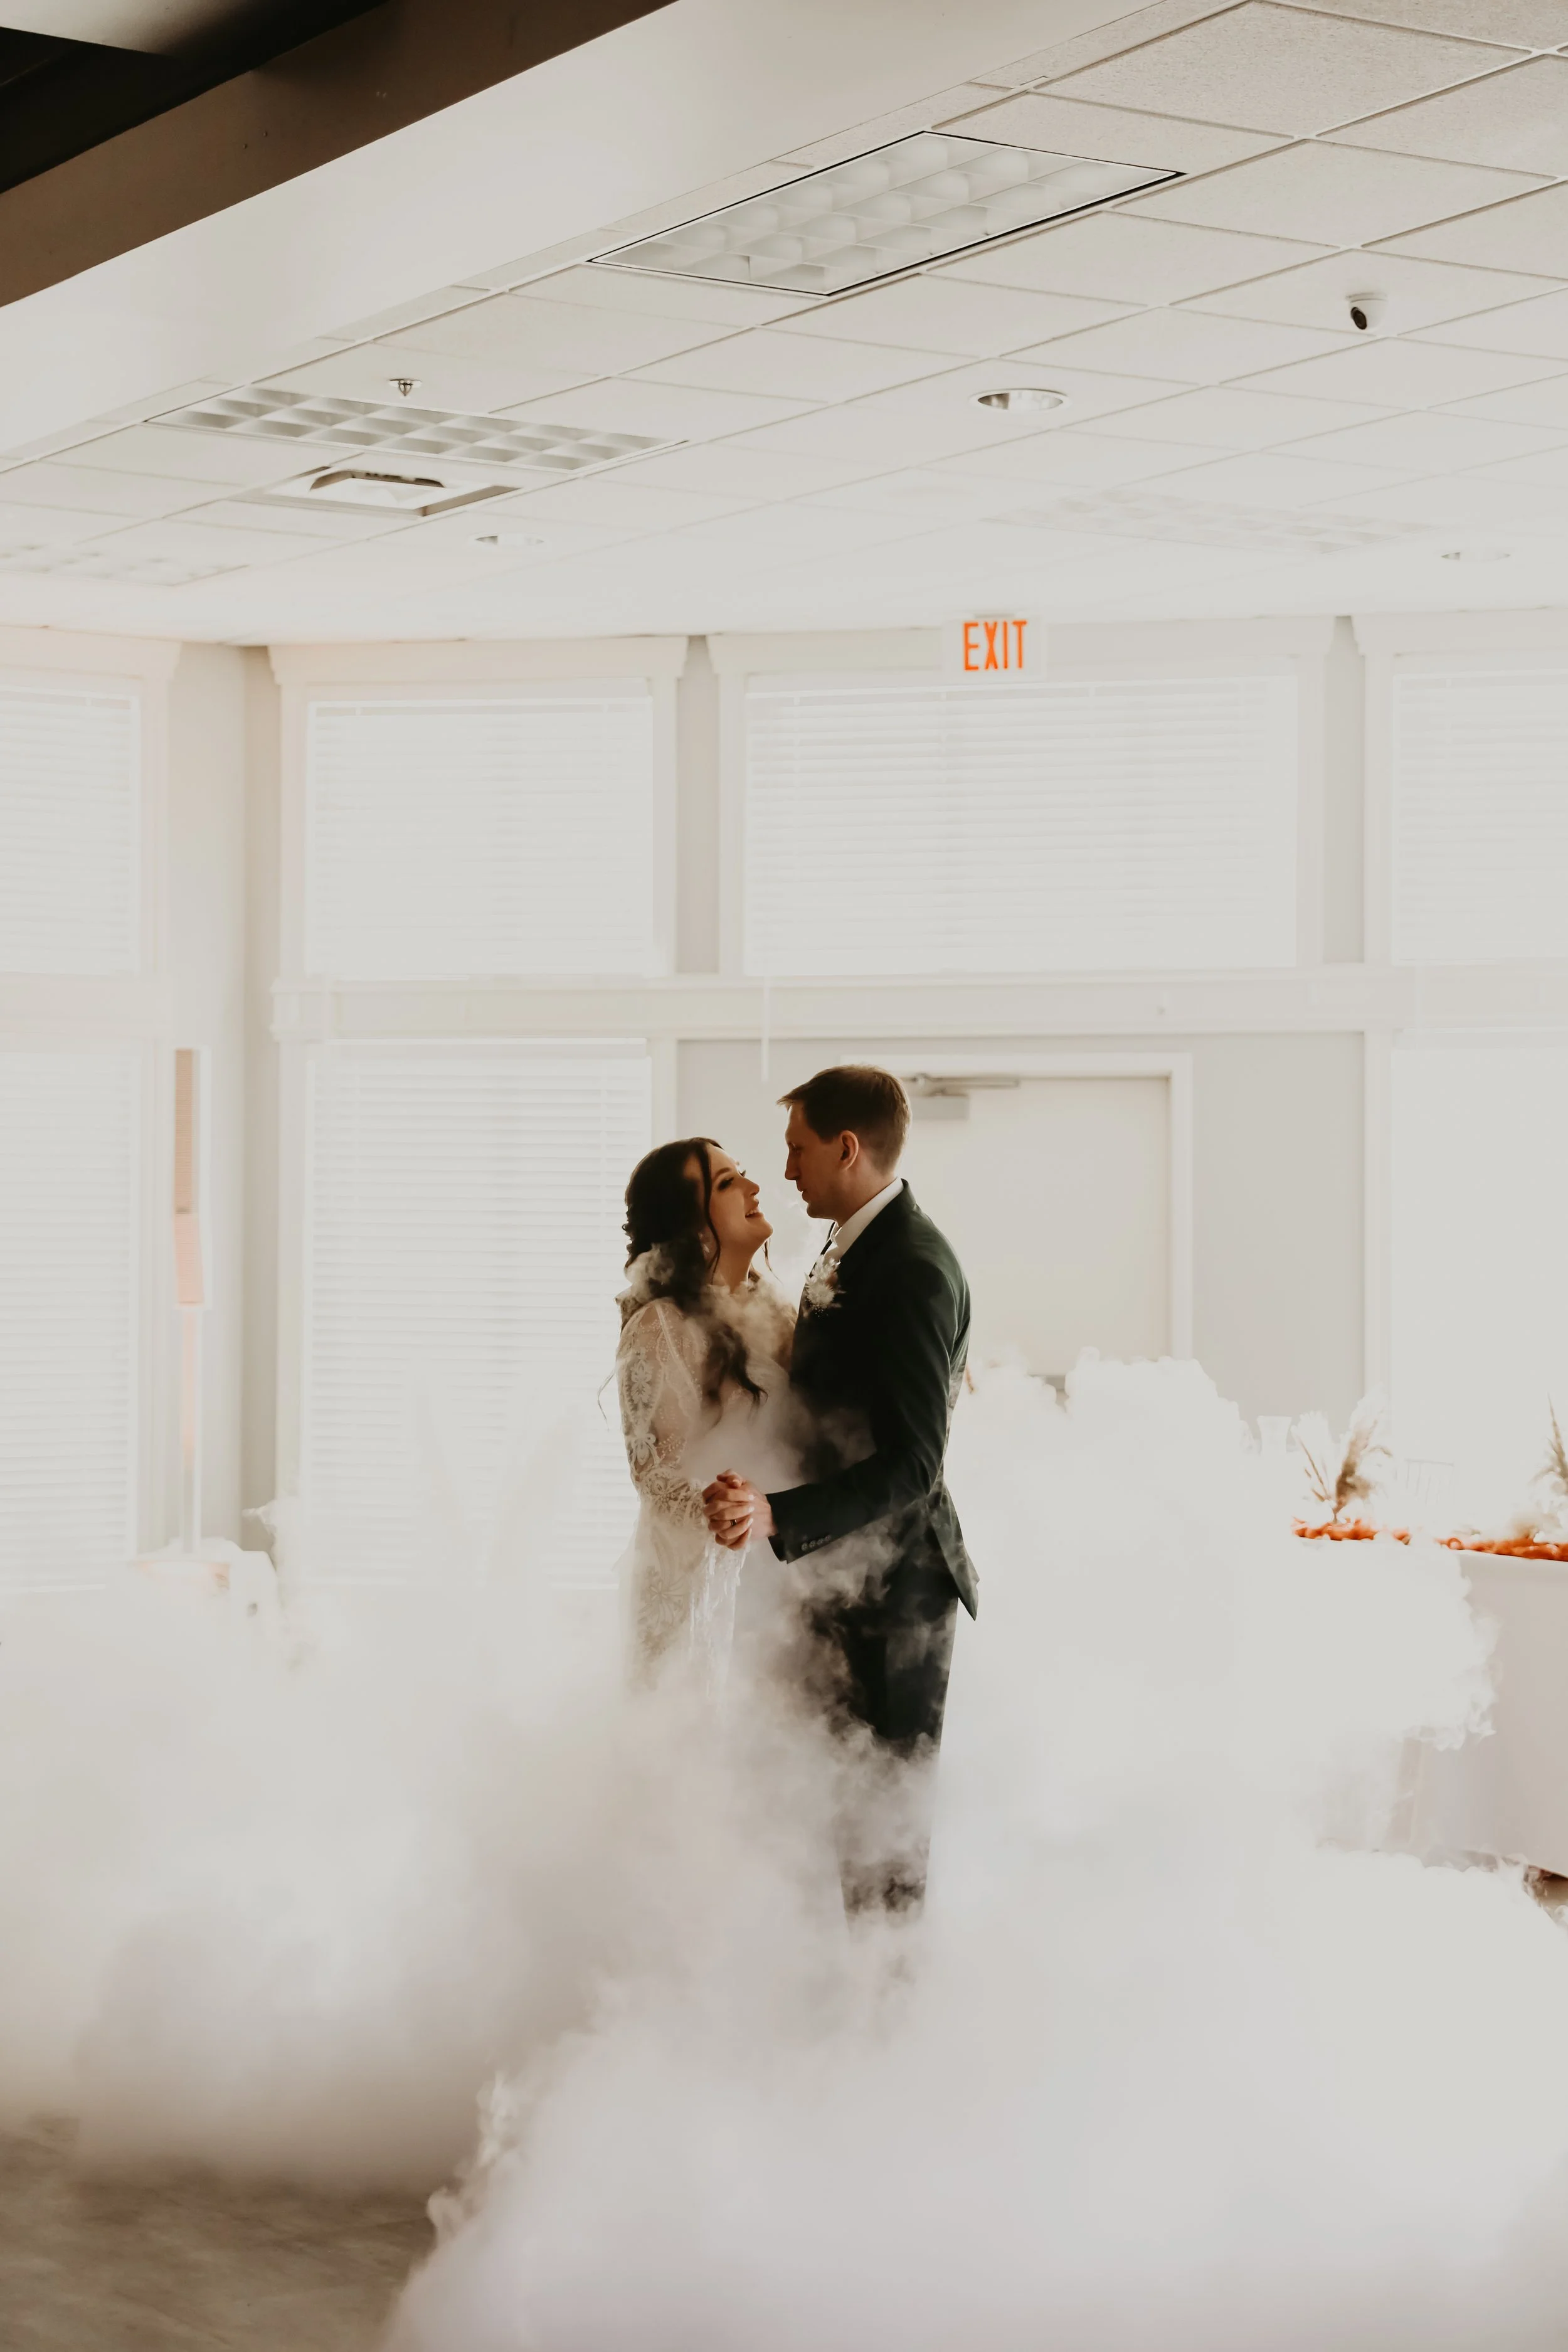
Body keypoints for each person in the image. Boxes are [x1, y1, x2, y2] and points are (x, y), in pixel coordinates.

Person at [703, 1065, 976, 1913]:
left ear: (847, 1148)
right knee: (828, 1805)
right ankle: (839, 2012)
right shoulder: (850, 1246)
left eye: (798, 1148)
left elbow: (912, 1463)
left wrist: (780, 1513)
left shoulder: (915, 1268)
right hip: (837, 1572)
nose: (785, 1171)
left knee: (885, 1827)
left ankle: (888, 2030)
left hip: (898, 1590)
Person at [614, 1138, 797, 1691]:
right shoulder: (661, 1327)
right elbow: (654, 1474)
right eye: (726, 1184)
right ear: (693, 1228)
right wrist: (722, 1508)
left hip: (776, 1574)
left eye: (741, 1174)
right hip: (699, 1589)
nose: (753, 1188)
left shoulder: (775, 1306)